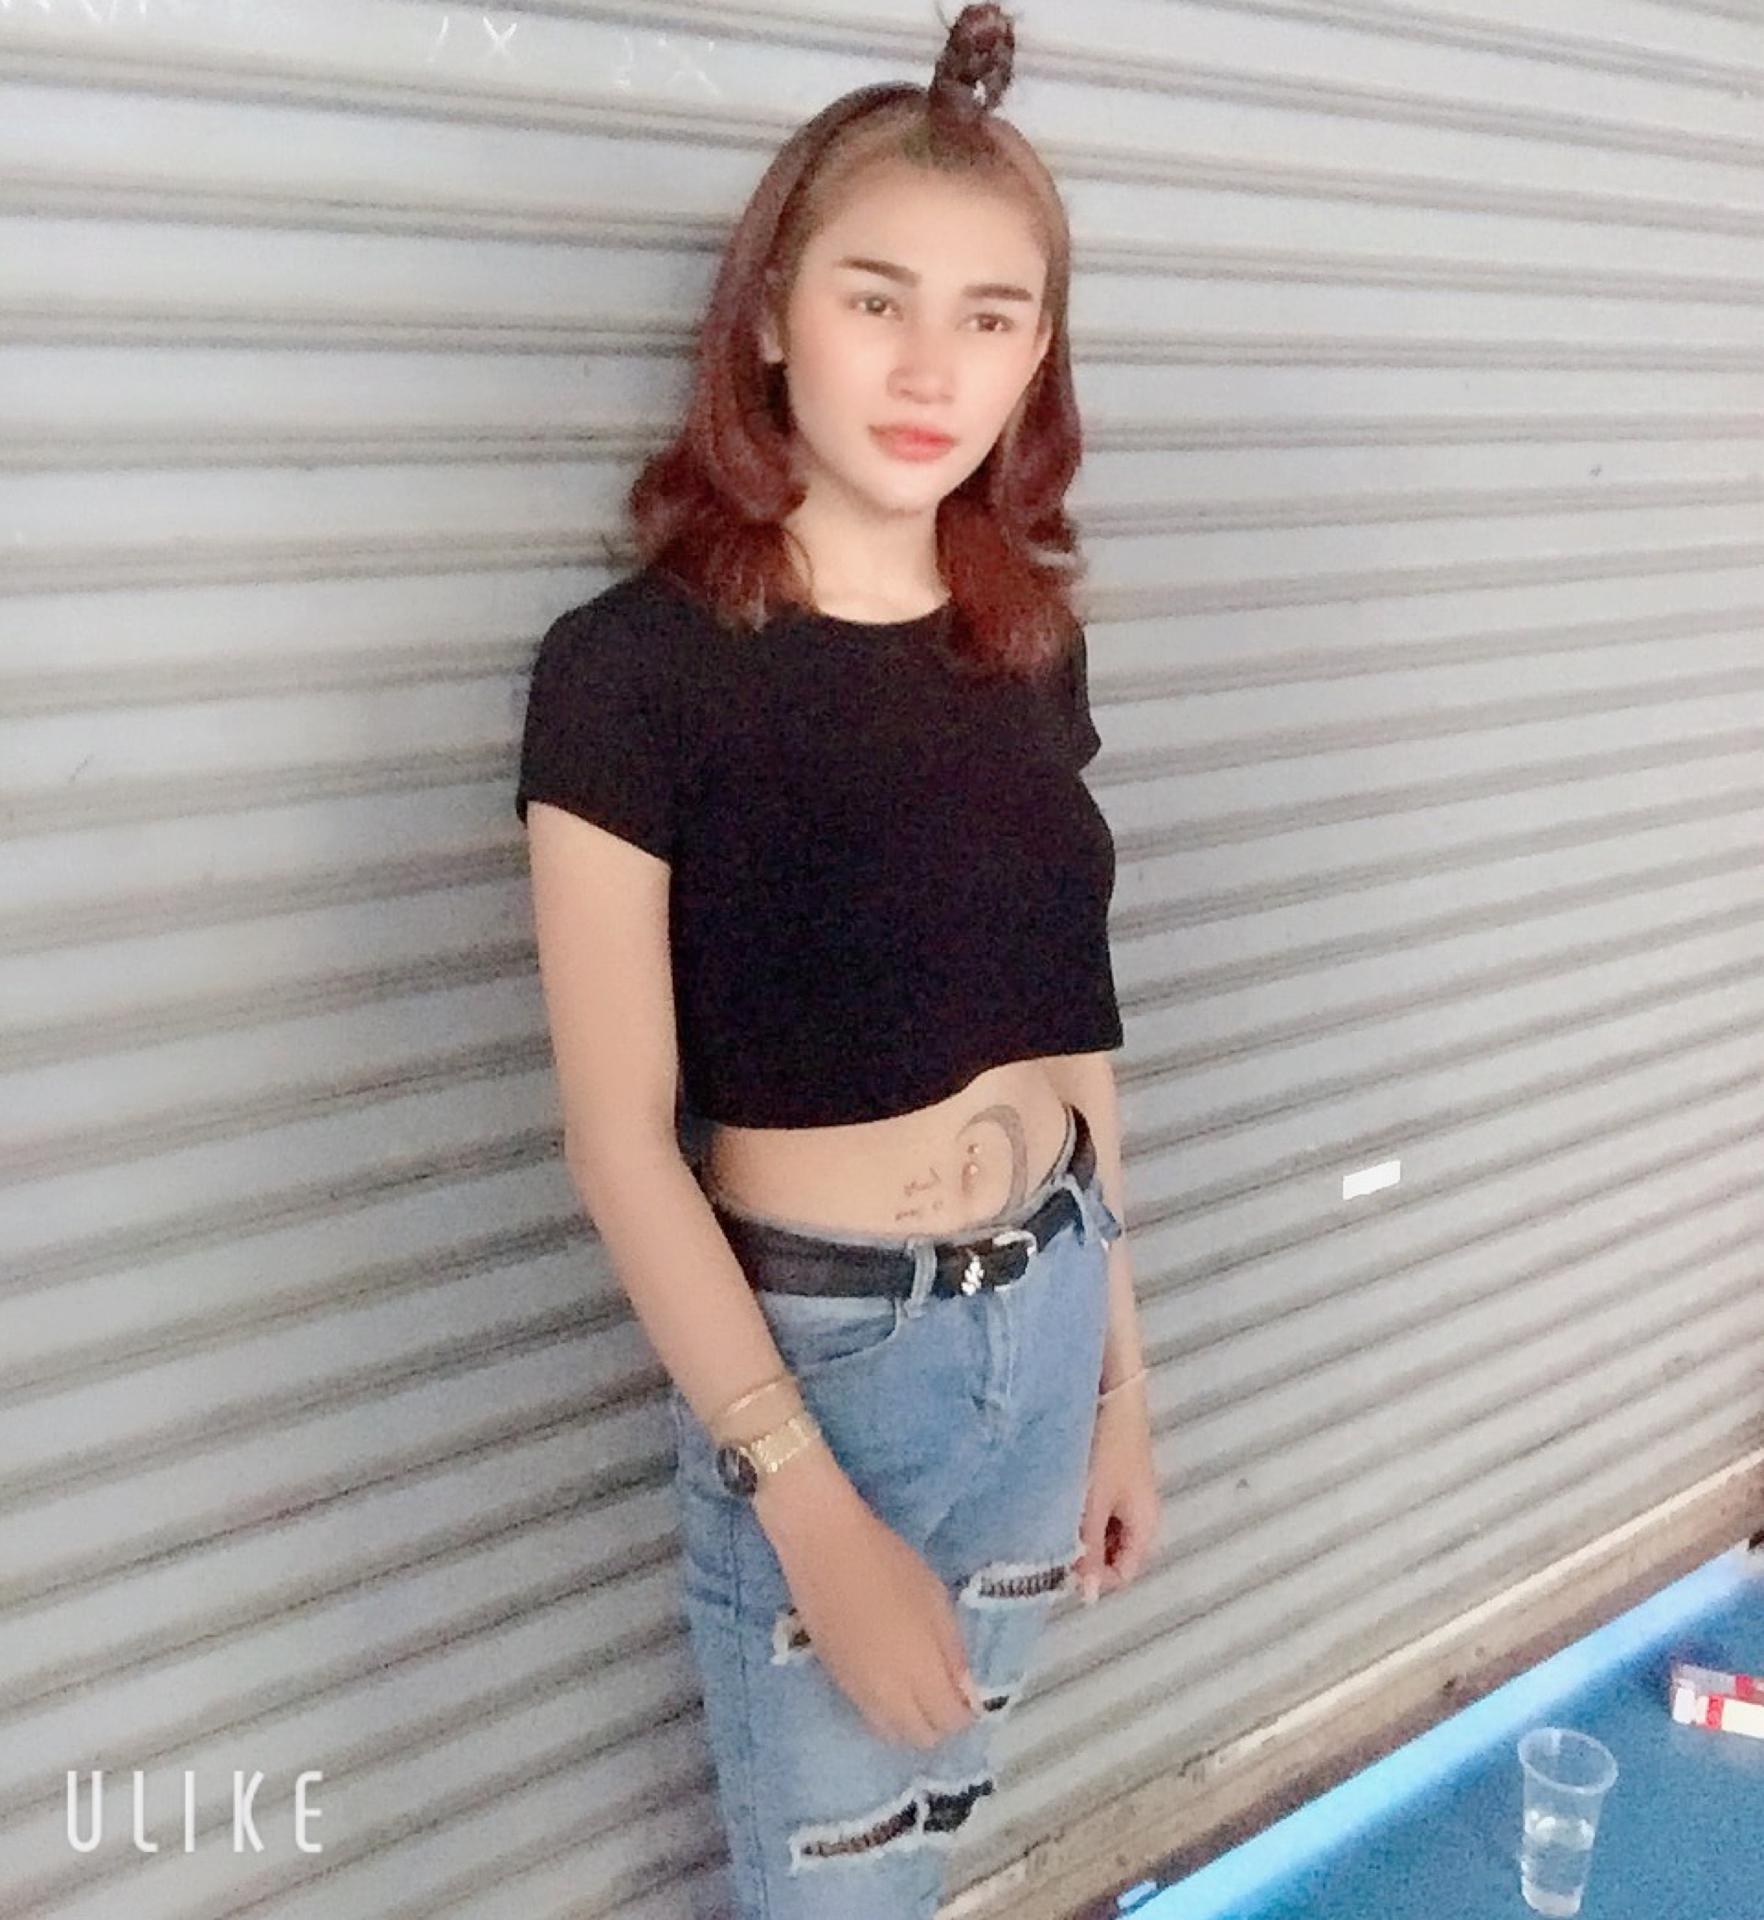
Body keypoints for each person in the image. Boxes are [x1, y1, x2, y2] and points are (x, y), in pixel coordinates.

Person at [514, 6, 1160, 1913]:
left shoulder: (1025, 640)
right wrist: (804, 1505)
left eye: (992, 316)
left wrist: (1122, 1381)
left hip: (1051, 1309)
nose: (932, 367)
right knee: (837, 1892)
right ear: (775, 318)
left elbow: (1075, 1039)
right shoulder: (630, 674)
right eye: (878, 300)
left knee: (939, 1844)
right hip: (830, 1364)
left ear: (1038, 356)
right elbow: (619, 1142)